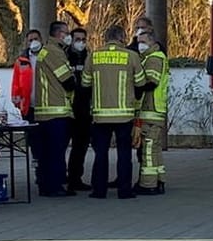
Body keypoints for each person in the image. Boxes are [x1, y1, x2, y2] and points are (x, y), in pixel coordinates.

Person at [82, 25, 143, 199]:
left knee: (100, 153)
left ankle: (99, 191)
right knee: (124, 154)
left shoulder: (93, 56)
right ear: (123, 38)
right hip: (124, 115)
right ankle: (125, 190)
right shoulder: (131, 56)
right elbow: (140, 83)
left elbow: (85, 84)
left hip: (100, 116)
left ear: (105, 38)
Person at [31, 21, 78, 198]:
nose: (69, 36)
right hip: (56, 111)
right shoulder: (54, 52)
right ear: (59, 34)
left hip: (44, 111)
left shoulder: (46, 51)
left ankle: (45, 184)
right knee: (56, 152)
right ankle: (55, 186)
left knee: (45, 153)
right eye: (66, 33)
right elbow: (68, 80)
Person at [134, 28, 169, 196]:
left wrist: (135, 86)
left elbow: (151, 82)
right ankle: (159, 179)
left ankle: (148, 184)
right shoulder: (155, 56)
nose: (139, 46)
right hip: (157, 110)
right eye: (138, 42)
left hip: (150, 110)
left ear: (152, 42)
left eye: (143, 42)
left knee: (147, 148)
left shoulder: (153, 58)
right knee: (155, 149)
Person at [66, 27, 93, 191]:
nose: (81, 43)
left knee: (80, 145)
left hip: (83, 107)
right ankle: (60, 176)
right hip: (67, 107)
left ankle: (75, 178)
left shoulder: (88, 57)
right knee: (61, 146)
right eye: (77, 39)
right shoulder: (64, 56)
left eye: (83, 39)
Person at [11, 29, 42, 119]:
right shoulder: (21, 60)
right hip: (28, 105)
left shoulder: (48, 56)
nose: (34, 42)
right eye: (31, 40)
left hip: (45, 106)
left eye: (36, 39)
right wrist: (15, 98)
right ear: (27, 43)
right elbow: (16, 81)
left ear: (41, 40)